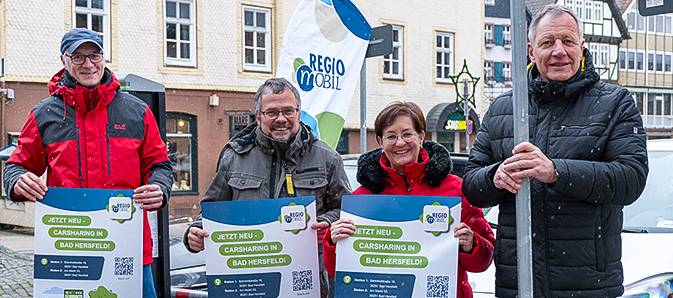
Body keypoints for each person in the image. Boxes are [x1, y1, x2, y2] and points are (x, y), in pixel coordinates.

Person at [461, 5, 648, 298]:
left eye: (568, 41)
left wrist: (556, 172)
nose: (559, 50)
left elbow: (631, 179)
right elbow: (471, 184)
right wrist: (494, 178)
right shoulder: (502, 108)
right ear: (531, 51)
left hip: (587, 285)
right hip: (517, 282)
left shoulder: (615, 103)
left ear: (582, 47)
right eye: (548, 42)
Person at [2, 28, 172, 297]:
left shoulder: (137, 111)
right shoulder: (44, 114)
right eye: (78, 57)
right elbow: (15, 166)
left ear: (104, 57)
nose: (88, 64)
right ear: (64, 61)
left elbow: (160, 164)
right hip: (69, 250)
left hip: (128, 248)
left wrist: (160, 187)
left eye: (94, 54)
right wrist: (16, 180)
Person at [183, 77, 351, 298]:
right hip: (248, 281)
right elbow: (213, 211)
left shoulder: (326, 158)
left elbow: (346, 212)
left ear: (299, 113)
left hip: (306, 281)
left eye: (288, 111)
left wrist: (328, 224)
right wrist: (192, 234)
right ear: (258, 116)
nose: (281, 119)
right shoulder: (234, 157)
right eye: (272, 112)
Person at [323, 102, 495, 298]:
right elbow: (341, 272)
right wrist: (334, 241)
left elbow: (484, 261)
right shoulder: (363, 199)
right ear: (380, 141)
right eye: (391, 136)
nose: (399, 143)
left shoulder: (455, 189)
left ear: (421, 137)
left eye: (407, 134)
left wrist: (472, 244)